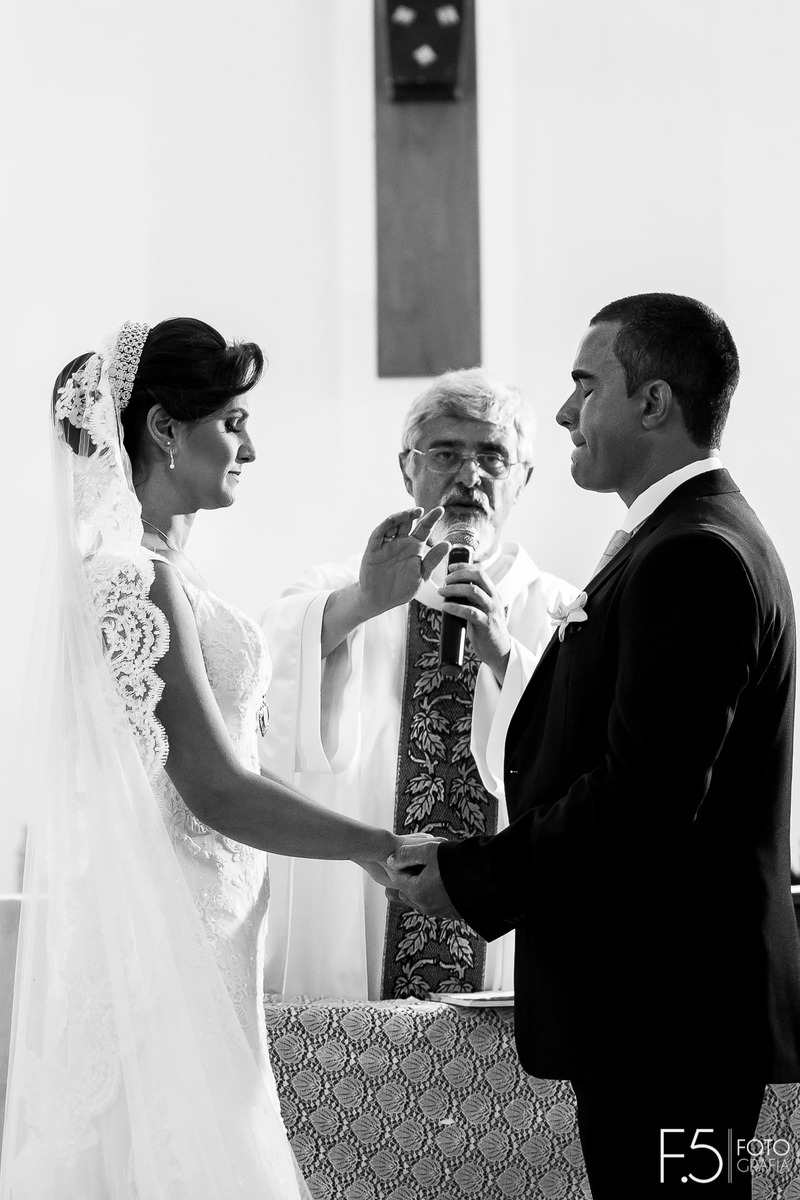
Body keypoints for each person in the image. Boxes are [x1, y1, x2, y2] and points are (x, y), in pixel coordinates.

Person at [0, 319, 426, 1200]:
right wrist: (373, 846)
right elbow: (213, 787)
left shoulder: (155, 573)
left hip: (209, 921)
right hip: (173, 927)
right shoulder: (136, 578)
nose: (250, 449)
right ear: (164, 428)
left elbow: (222, 758)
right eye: (232, 423)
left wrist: (365, 844)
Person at [388, 294, 800, 1197]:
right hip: (661, 1016)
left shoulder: (695, 555)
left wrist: (474, 876)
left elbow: (641, 797)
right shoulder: (679, 538)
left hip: (672, 1019)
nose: (566, 411)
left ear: (652, 403)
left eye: (585, 385)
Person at [261, 368, 577, 1000]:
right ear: (407, 470)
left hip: (503, 936)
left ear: (523, 479)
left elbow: (583, 764)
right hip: (359, 920)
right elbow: (265, 681)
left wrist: (505, 657)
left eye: (493, 456)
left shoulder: (561, 611)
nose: (469, 477)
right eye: (445, 454)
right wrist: (363, 603)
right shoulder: (336, 592)